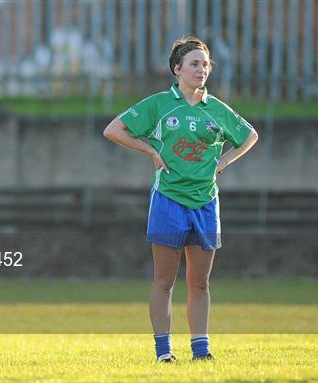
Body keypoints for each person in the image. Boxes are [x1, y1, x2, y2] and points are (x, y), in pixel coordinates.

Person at [103, 36, 258, 362]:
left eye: (206, 65)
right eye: (194, 64)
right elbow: (114, 129)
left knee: (199, 283)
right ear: (177, 69)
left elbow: (249, 136)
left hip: (205, 202)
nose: (202, 70)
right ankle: (163, 353)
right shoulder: (160, 104)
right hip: (168, 200)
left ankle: (201, 352)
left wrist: (225, 161)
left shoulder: (216, 109)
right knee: (164, 281)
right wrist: (149, 150)